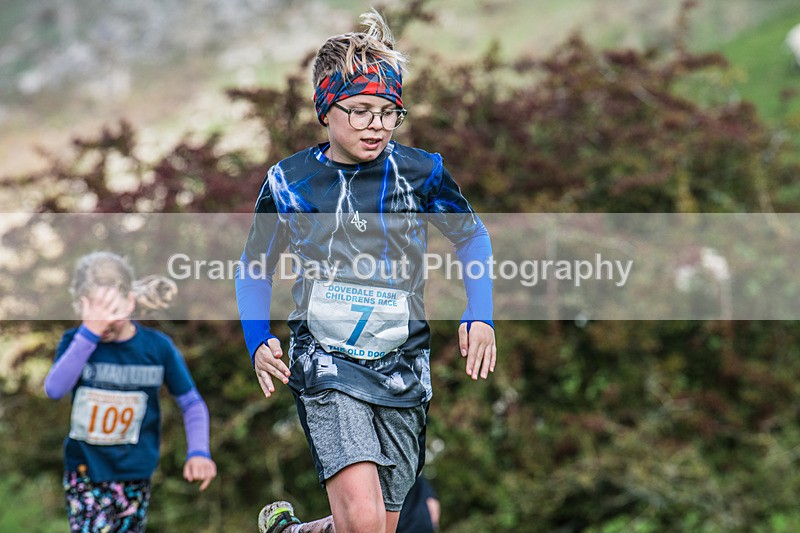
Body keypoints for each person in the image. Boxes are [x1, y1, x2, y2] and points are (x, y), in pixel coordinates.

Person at [236, 10, 495, 533]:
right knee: (366, 523)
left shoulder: (420, 174)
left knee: (377, 527)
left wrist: (481, 312)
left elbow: (473, 236)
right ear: (325, 109)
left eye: (387, 112)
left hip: (402, 367)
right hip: (326, 364)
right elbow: (254, 267)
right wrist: (257, 337)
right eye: (358, 111)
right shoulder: (289, 183)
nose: (374, 124)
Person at [45, 251, 217, 532]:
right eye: (95, 312)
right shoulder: (75, 343)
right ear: (81, 307)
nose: (105, 322)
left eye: (111, 310)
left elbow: (191, 403)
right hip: (85, 471)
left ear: (130, 301)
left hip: (136, 473)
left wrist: (199, 451)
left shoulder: (157, 348)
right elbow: (54, 389)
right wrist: (88, 333)